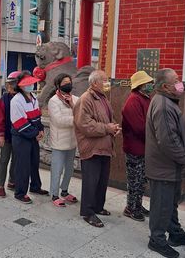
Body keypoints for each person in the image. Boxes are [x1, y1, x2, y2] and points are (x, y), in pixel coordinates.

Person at [146, 68, 185, 258]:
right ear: (166, 86)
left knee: (170, 204)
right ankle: (157, 240)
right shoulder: (164, 105)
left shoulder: (167, 101)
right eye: (176, 80)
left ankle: (174, 233)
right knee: (162, 206)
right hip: (164, 167)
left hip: (170, 167)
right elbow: (168, 140)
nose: (180, 83)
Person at [74, 70, 121, 227]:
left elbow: (109, 118)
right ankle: (88, 212)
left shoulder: (103, 98)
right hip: (91, 147)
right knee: (91, 181)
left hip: (105, 145)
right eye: (104, 80)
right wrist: (107, 128)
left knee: (102, 180)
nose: (107, 83)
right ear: (94, 83)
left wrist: (114, 127)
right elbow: (85, 125)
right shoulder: (85, 99)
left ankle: (98, 206)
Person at [10, 71, 49, 203]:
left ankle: (35, 186)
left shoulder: (33, 98)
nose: (31, 85)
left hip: (32, 136)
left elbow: (38, 117)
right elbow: (20, 123)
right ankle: (20, 192)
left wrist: (41, 129)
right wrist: (35, 133)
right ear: (20, 86)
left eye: (31, 83)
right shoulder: (16, 100)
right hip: (21, 137)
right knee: (23, 165)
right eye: (27, 84)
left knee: (34, 162)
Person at [122, 71, 154, 221]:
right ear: (140, 85)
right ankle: (131, 208)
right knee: (135, 180)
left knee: (141, 181)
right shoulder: (133, 101)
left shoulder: (145, 98)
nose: (150, 85)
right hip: (135, 148)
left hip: (144, 147)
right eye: (147, 83)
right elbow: (139, 128)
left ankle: (137, 205)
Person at [48, 73, 79, 207]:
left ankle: (64, 191)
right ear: (58, 85)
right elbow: (59, 121)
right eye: (65, 82)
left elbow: (81, 113)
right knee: (57, 169)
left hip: (72, 140)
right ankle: (54, 194)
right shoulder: (53, 101)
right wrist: (77, 120)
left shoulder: (76, 99)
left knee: (69, 169)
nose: (68, 85)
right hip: (59, 141)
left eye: (69, 82)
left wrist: (72, 105)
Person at [0, 71, 20, 197]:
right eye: (10, 84)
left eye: (14, 84)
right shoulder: (5, 99)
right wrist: (1, 134)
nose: (11, 87)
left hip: (20, 136)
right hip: (8, 135)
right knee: (4, 160)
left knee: (16, 160)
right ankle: (0, 185)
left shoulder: (25, 98)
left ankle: (12, 181)